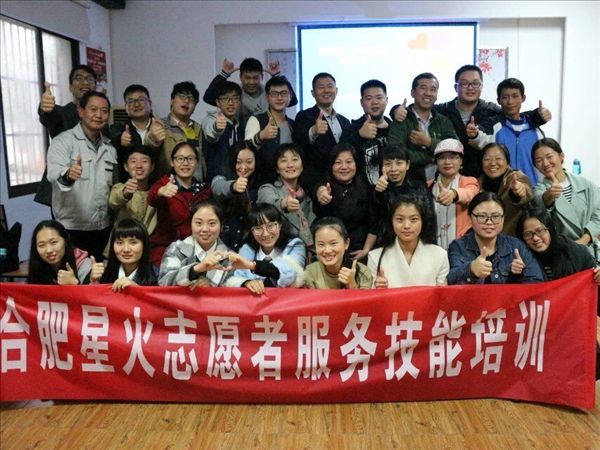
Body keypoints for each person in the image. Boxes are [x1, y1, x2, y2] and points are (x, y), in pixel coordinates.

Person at [390, 64, 551, 178]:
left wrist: (537, 116)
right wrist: (395, 110)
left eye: (475, 83)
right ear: (456, 87)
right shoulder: (442, 111)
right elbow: (421, 107)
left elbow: (513, 114)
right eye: (464, 83)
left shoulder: (492, 111)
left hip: (483, 177)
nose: (470, 87)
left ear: (481, 87)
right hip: (446, 176)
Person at [46, 91, 117, 260]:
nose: (99, 115)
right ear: (81, 111)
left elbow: (112, 187)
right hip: (71, 228)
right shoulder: (63, 141)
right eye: (93, 109)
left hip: (103, 227)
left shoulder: (110, 148)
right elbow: (53, 174)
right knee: (74, 274)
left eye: (104, 111)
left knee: (100, 273)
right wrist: (68, 175)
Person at [447, 191, 544, 284]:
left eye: (495, 216)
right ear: (470, 217)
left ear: (503, 218)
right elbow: (451, 280)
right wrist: (471, 269)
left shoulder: (516, 246)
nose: (489, 222)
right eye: (482, 216)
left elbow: (536, 282)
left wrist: (518, 277)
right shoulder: (458, 246)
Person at [36, 65, 98, 207]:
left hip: (93, 188)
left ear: (95, 86)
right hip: (64, 189)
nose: (85, 82)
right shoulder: (61, 113)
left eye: (90, 79)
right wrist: (45, 109)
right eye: (79, 78)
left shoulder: (100, 117)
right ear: (70, 87)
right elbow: (49, 117)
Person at [532, 138, 600, 260]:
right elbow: (539, 202)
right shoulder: (539, 190)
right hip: (564, 257)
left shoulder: (586, 185)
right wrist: (549, 195)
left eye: (549, 157)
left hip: (593, 252)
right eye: (539, 160)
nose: (545, 163)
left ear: (561, 156)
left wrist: (584, 240)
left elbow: (598, 215)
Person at [147, 142, 212, 267]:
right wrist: (160, 192)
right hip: (164, 252)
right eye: (180, 159)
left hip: (195, 253)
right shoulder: (164, 184)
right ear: (172, 162)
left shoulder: (204, 190)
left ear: (197, 162)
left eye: (190, 159)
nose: (185, 163)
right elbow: (151, 198)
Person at [470, 78, 545, 184]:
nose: (510, 102)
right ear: (498, 100)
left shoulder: (536, 130)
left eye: (515, 96)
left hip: (534, 188)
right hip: (501, 189)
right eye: (505, 97)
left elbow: (545, 158)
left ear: (523, 98)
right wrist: (473, 134)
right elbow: (479, 140)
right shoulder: (495, 126)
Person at [388, 72, 458, 182]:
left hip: (442, 182)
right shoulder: (401, 120)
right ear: (413, 93)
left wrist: (429, 142)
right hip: (409, 183)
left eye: (433, 89)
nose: (428, 93)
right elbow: (396, 154)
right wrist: (430, 157)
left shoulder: (444, 121)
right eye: (423, 88)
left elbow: (455, 148)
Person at [368, 196, 448, 287]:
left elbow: (442, 294)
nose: (406, 226)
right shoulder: (375, 257)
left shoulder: (440, 255)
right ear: (391, 222)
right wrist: (377, 290)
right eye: (400, 219)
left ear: (423, 221)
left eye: (414, 219)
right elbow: (370, 295)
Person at [314, 143, 375, 260]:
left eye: (349, 162)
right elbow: (319, 192)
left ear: (356, 164)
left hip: (359, 250)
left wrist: (366, 250)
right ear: (331, 165)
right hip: (330, 252)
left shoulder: (366, 187)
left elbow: (374, 223)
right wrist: (321, 195)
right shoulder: (326, 187)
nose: (344, 167)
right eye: (338, 162)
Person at [227, 203, 306, 294]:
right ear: (252, 231)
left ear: (280, 225)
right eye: (258, 228)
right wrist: (246, 282)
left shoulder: (295, 245)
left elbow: (290, 272)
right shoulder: (247, 250)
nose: (265, 233)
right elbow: (235, 278)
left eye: (270, 226)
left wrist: (252, 265)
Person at [293, 72, 351, 194]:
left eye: (330, 86)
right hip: (317, 183)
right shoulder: (304, 116)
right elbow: (298, 143)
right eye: (321, 87)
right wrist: (313, 131)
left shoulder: (345, 121)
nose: (326, 91)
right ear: (313, 93)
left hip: (343, 182)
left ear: (336, 91)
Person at [158, 200, 232, 287]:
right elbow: (164, 281)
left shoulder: (229, 257)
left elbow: (233, 283)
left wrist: (211, 288)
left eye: (212, 223)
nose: (205, 229)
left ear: (221, 226)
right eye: (199, 223)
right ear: (190, 224)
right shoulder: (177, 249)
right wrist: (194, 270)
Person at [370, 144, 434, 243]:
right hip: (389, 243)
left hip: (417, 242)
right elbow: (376, 220)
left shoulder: (419, 187)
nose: (393, 169)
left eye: (399, 163)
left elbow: (429, 220)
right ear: (382, 167)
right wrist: (379, 193)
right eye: (388, 164)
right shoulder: (378, 190)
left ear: (407, 165)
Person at [257, 143, 316, 249]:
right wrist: (284, 204)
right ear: (277, 169)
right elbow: (270, 202)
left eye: (294, 159)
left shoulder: (307, 195)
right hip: (279, 250)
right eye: (284, 161)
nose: (290, 165)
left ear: (302, 166)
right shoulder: (267, 189)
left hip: (308, 251)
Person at [203, 57, 297, 122]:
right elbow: (208, 98)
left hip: (268, 136)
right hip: (241, 139)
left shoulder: (269, 93)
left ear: (262, 77)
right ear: (240, 77)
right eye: (247, 78)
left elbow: (292, 101)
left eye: (255, 78)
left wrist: (277, 75)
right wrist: (224, 74)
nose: (251, 82)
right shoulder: (235, 93)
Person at [144, 81, 204, 180]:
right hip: (169, 185)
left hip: (196, 185)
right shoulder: (160, 125)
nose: (187, 101)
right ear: (171, 101)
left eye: (191, 99)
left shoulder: (198, 128)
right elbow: (147, 145)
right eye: (182, 96)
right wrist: (153, 138)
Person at [245, 75, 296, 186]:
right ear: (267, 97)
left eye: (284, 93)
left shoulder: (293, 125)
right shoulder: (256, 120)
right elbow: (245, 150)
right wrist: (261, 136)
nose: (279, 98)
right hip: (262, 185)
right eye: (274, 94)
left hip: (290, 184)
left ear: (290, 96)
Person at [429, 139, 479, 249]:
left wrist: (454, 194)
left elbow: (470, 194)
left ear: (461, 161)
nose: (447, 162)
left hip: (462, 248)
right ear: (436, 162)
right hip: (432, 247)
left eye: (452, 157)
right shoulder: (428, 186)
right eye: (442, 158)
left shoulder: (469, 181)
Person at [340, 79, 392, 186]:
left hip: (393, 190)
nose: (374, 102)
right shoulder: (352, 129)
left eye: (379, 97)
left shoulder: (395, 128)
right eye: (369, 98)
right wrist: (359, 136)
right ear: (361, 102)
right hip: (362, 192)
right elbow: (340, 157)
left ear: (386, 100)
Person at [109, 84, 163, 181]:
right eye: (131, 101)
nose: (136, 104)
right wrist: (120, 141)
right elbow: (111, 142)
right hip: (129, 186)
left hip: (158, 185)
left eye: (141, 100)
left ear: (150, 104)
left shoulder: (161, 127)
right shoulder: (119, 129)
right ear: (126, 107)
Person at [211, 142, 259, 250]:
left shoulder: (258, 184)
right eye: (238, 162)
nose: (244, 167)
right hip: (223, 246)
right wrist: (233, 186)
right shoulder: (222, 176)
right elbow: (217, 187)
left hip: (250, 246)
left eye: (249, 162)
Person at [107, 145, 157, 249]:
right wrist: (126, 193)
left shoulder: (157, 192)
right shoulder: (118, 187)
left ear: (152, 167)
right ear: (126, 167)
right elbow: (113, 202)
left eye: (144, 161)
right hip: (120, 247)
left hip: (146, 249)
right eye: (133, 161)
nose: (139, 165)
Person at [478, 142, 533, 236]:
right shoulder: (476, 183)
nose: (493, 163)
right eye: (487, 159)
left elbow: (527, 192)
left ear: (507, 163)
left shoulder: (516, 177)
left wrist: (519, 191)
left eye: (498, 158)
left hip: (512, 238)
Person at [304, 217, 373, 289]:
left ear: (346, 243)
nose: (327, 250)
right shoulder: (310, 272)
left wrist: (352, 285)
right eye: (321, 244)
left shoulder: (362, 272)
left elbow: (367, 297)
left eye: (333, 243)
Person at [27, 220, 95, 285]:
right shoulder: (36, 267)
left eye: (54, 242)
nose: (49, 250)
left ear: (65, 241)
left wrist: (75, 284)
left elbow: (92, 293)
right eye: (41, 245)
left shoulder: (85, 266)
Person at [201, 81, 245, 182]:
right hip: (215, 181)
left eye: (235, 98)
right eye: (225, 99)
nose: (230, 103)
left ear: (240, 101)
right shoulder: (210, 119)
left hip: (236, 179)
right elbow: (211, 135)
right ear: (218, 102)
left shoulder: (239, 124)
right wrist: (217, 128)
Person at [98, 218, 157, 290]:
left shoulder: (157, 275)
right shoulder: (104, 273)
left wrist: (137, 290)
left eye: (133, 242)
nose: (126, 249)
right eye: (120, 243)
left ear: (144, 245)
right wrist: (94, 282)